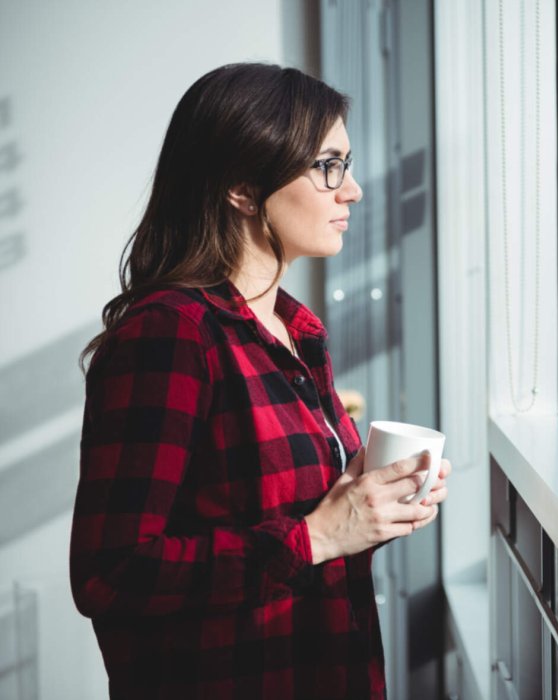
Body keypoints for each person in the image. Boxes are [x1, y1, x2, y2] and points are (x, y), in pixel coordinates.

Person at [69, 63, 449, 699]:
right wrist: (320, 535)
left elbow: (298, 535)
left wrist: (370, 506)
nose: (352, 189)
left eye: (347, 164)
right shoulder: (171, 334)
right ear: (244, 188)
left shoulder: (297, 332)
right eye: (328, 166)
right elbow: (111, 575)